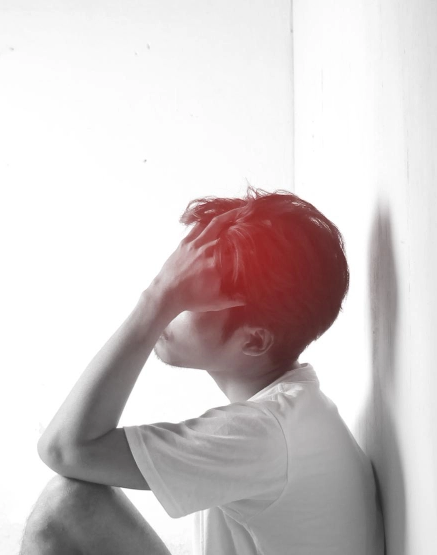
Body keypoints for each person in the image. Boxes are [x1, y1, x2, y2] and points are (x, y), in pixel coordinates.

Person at [20, 185, 384, 555]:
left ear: (255, 341)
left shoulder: (263, 435)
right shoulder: (293, 415)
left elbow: (65, 448)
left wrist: (155, 301)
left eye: (187, 294)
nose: (170, 303)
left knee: (67, 504)